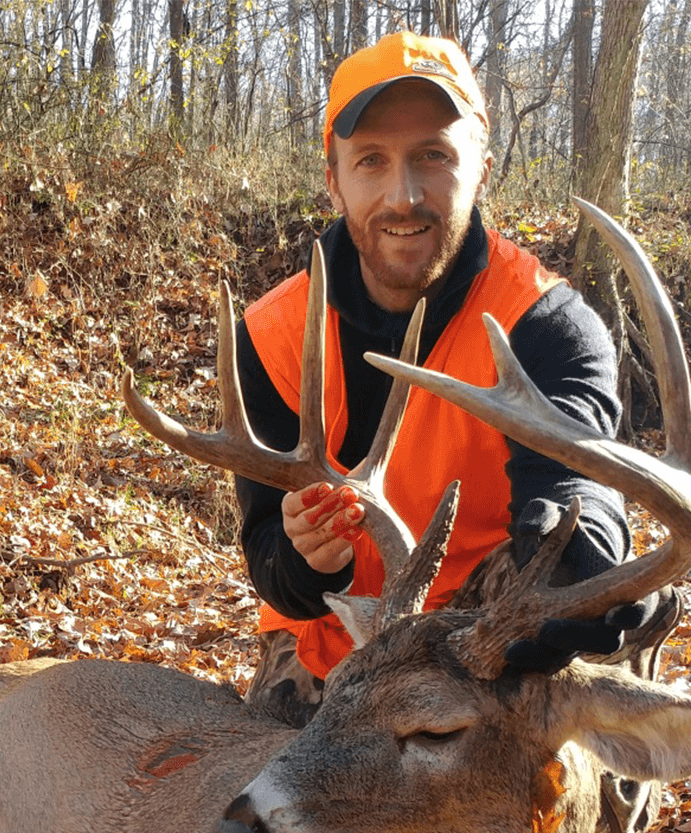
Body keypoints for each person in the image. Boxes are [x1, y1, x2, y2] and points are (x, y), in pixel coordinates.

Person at [235, 30, 661, 727]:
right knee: (271, 817)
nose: (404, 197)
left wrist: (579, 560)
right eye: (371, 160)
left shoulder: (545, 323)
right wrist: (311, 563)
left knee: (563, 799)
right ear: (333, 178)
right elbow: (272, 566)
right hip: (334, 641)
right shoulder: (271, 335)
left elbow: (579, 481)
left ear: (483, 168)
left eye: (434, 156)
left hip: (488, 637)